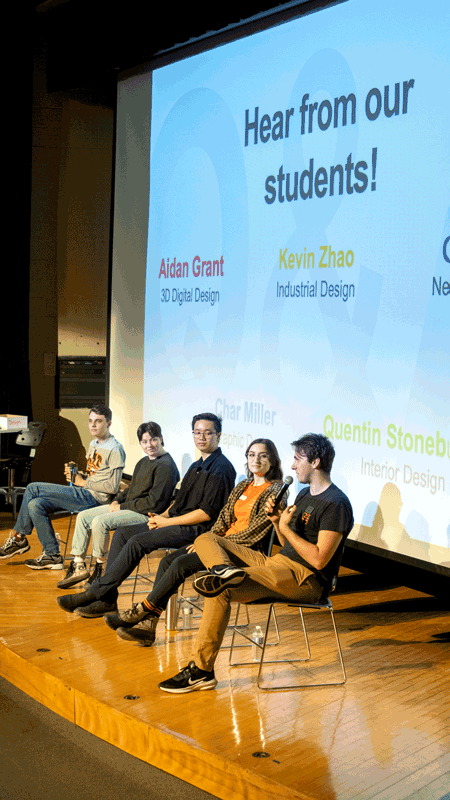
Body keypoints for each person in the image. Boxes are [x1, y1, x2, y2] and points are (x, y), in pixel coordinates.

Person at [157, 432, 354, 694]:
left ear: (315, 462)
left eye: (298, 459)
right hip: (278, 563)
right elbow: (287, 545)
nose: (293, 466)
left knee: (220, 589)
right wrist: (276, 521)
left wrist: (285, 526)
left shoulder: (336, 504)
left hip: (306, 580)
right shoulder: (306, 494)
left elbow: (319, 560)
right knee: (207, 538)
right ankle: (223, 570)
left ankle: (201, 671)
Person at [103, 438, 286, 646]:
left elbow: (254, 533)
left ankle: (143, 610)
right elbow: (224, 517)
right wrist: (207, 540)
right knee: (167, 561)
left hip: (242, 552)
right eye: (252, 455)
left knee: (180, 564)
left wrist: (214, 543)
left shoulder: (275, 491)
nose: (257, 460)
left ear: (272, 460)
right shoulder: (244, 485)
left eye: (263, 455)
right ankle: (149, 625)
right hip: (216, 544)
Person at [56, 412, 236, 617]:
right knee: (123, 533)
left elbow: (205, 514)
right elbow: (178, 501)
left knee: (137, 541)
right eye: (197, 432)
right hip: (175, 522)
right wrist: (162, 518)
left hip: (195, 530)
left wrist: (166, 522)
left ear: (219, 435)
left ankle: (97, 591)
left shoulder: (221, 468)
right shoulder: (196, 466)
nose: (201, 437)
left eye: (208, 433)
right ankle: (107, 599)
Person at [0, 404, 126, 570]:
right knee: (35, 504)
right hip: (84, 492)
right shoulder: (94, 443)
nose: (93, 425)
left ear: (108, 423)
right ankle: (52, 555)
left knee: (33, 488)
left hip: (95, 500)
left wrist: (82, 482)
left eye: (98, 421)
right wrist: (78, 475)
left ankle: (18, 538)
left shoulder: (115, 449)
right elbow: (97, 476)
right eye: (90, 421)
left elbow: (112, 486)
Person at [57, 421, 179, 589]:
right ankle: (78, 565)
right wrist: (117, 500)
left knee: (100, 522)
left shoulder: (166, 466)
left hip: (145, 514)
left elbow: (154, 504)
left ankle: (101, 569)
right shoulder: (143, 462)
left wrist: (121, 507)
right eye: (144, 441)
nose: (149, 445)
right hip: (128, 507)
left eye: (153, 440)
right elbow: (131, 489)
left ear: (161, 439)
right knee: (84, 516)